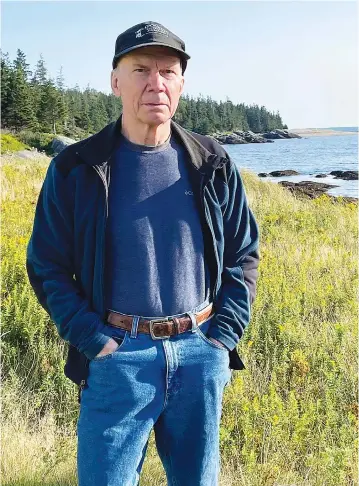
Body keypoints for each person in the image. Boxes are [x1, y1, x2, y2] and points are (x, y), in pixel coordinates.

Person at [26, 20, 260, 486]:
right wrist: (94, 340)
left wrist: (224, 336)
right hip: (117, 358)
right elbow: (46, 263)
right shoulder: (77, 168)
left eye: (168, 71)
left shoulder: (212, 162)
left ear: (181, 83)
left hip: (200, 353)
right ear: (115, 81)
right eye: (140, 70)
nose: (156, 82)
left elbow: (243, 253)